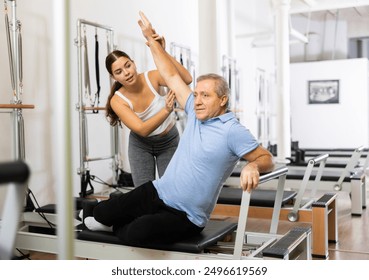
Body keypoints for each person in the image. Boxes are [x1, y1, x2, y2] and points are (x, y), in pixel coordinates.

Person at [84, 12, 275, 247]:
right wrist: (151, 40)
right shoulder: (195, 112)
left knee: (137, 231)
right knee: (102, 211)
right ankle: (107, 218)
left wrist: (253, 165)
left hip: (186, 215)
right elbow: (172, 75)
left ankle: (118, 225)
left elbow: (267, 158)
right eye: (196, 94)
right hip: (158, 191)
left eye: (206, 95)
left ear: (223, 100)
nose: (197, 100)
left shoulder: (232, 131)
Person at [105, 45, 192, 187]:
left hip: (169, 141)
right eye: (119, 72)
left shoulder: (152, 77)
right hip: (140, 145)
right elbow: (142, 129)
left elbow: (186, 78)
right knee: (143, 195)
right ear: (113, 77)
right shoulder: (117, 100)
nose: (126, 73)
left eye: (128, 66)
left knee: (173, 189)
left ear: (134, 63)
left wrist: (162, 51)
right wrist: (166, 110)